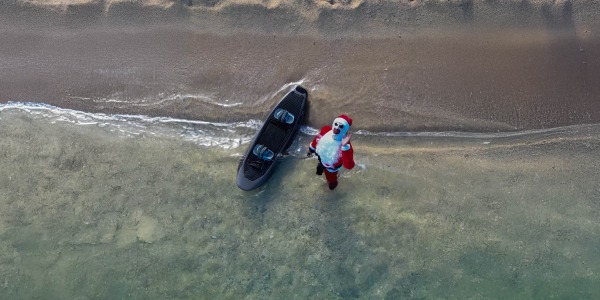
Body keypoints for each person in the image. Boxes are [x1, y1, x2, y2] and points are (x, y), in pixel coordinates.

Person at [307, 114, 355, 190]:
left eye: (341, 126)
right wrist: (311, 149)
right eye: (336, 124)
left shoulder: (346, 145)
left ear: (345, 129)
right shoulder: (326, 130)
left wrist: (344, 147)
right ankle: (322, 168)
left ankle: (332, 185)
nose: (337, 127)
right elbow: (317, 139)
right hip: (321, 159)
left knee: (331, 182)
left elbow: (349, 166)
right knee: (319, 171)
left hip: (331, 168)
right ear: (333, 124)